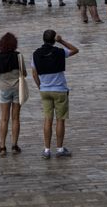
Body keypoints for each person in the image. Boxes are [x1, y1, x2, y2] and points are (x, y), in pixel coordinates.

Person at [31, 30, 79, 160]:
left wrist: (40, 86)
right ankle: (59, 148)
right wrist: (62, 41)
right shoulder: (59, 52)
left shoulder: (36, 54)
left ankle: (46, 150)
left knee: (47, 119)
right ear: (54, 40)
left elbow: (34, 74)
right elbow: (75, 50)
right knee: (60, 120)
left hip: (45, 90)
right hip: (60, 90)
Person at [0, 32, 26, 156]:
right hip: (17, 88)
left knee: (4, 118)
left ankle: (2, 146)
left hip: (4, 89)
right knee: (16, 118)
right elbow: (25, 73)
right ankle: (14, 145)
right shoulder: (19, 56)